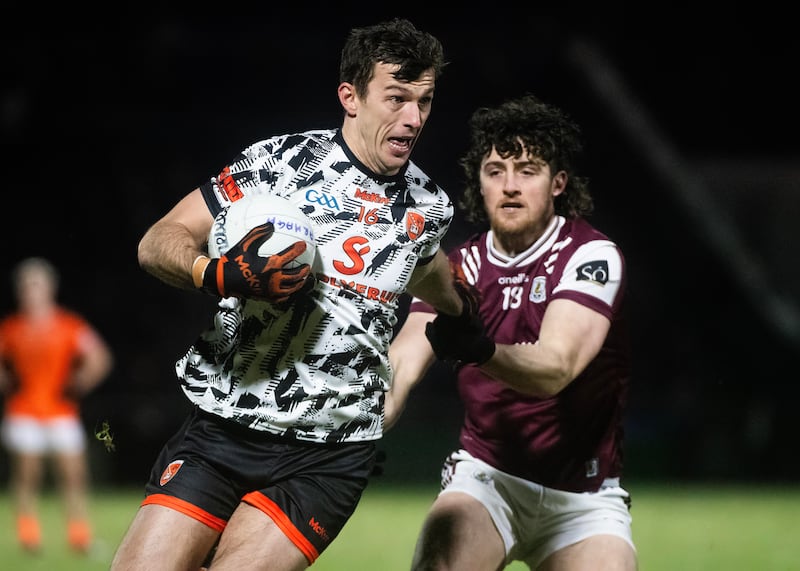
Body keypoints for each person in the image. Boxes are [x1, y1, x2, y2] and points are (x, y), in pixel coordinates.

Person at [110, 18, 477, 571]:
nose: (413, 118)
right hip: (224, 426)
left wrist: (457, 312)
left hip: (328, 453)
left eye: (424, 102)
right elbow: (157, 240)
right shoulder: (277, 165)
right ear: (349, 97)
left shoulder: (429, 208)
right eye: (397, 98)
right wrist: (218, 274)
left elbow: (428, 272)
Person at [385, 94, 638, 570]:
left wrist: (481, 350)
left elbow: (554, 368)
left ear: (558, 182)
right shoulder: (459, 268)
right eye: (495, 170)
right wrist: (365, 421)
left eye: (527, 170)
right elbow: (403, 361)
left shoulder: (590, 256)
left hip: (584, 499)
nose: (510, 186)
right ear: (478, 184)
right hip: (488, 479)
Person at [0, 256, 113, 555]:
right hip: (23, 411)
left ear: (49, 288)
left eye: (37, 284)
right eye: (26, 285)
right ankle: (29, 537)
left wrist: (79, 382)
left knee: (74, 476)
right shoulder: (11, 328)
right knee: (27, 476)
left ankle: (79, 536)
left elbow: (99, 357)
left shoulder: (68, 325)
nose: (31, 291)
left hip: (61, 412)